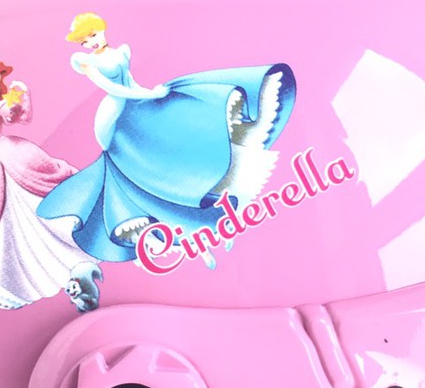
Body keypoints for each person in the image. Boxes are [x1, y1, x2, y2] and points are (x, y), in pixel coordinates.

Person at [37, 14, 296, 268]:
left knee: (167, 122)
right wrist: (147, 95)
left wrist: (148, 93)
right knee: (131, 151)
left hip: (136, 99)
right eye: (84, 41)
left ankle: (187, 181)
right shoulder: (86, 61)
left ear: (101, 29)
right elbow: (112, 88)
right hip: (113, 113)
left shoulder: (121, 52)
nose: (91, 42)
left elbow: (129, 81)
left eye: (93, 35)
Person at [0, 62, 101, 310]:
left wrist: (20, 98)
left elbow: (20, 117)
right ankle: (10, 277)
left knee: (41, 191)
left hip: (15, 153)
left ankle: (80, 237)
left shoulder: (1, 105)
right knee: (3, 214)